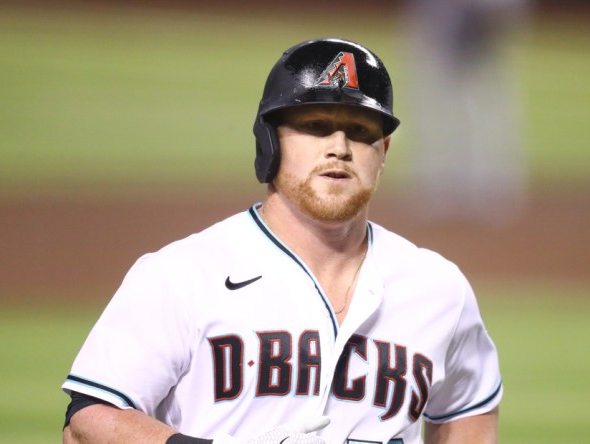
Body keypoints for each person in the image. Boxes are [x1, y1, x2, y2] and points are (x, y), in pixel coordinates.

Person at [61, 37, 502, 444]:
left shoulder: (438, 288)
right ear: (270, 141)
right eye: (315, 125)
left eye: (361, 131)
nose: (340, 147)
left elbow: (469, 407)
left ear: (383, 152)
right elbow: (88, 421)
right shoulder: (183, 274)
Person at [404, 0, 531, 224]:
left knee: (485, 112)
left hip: (482, 38)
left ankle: (492, 189)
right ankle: (442, 187)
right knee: (436, 112)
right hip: (438, 32)